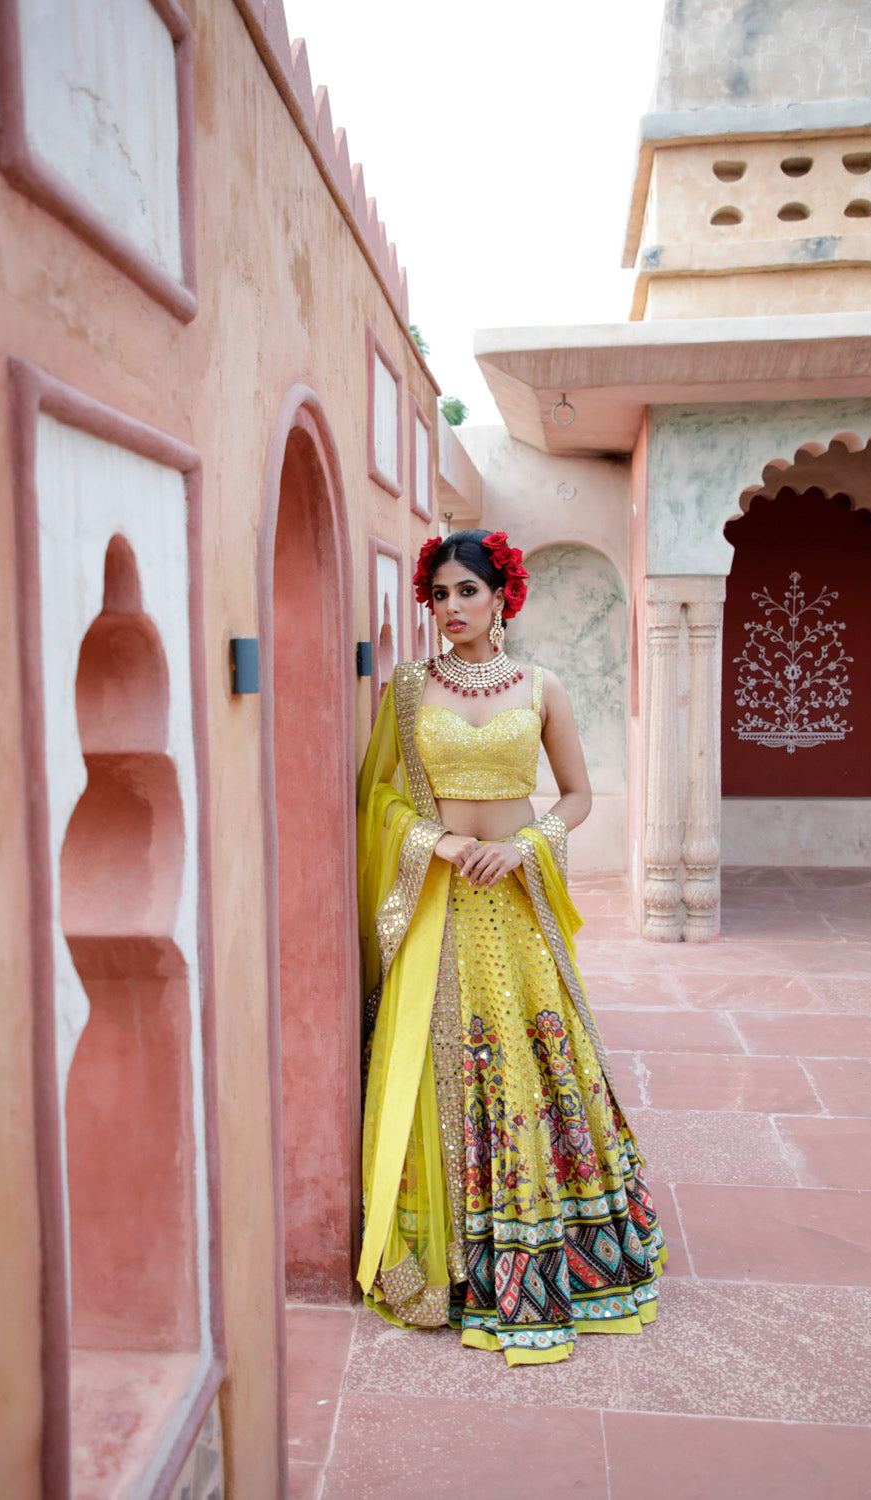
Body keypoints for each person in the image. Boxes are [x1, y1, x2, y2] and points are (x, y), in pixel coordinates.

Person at [356, 528, 666, 1366]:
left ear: (503, 598)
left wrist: (525, 848)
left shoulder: (541, 686)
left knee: (536, 1061)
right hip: (441, 903)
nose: (450, 609)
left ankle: (556, 1257)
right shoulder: (411, 688)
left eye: (467, 592)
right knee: (444, 1064)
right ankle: (453, 1266)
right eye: (439, 594)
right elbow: (377, 796)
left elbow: (575, 796)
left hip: (518, 907)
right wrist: (437, 842)